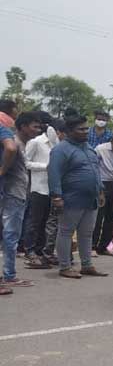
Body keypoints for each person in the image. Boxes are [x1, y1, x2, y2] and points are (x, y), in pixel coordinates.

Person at [48, 114, 107, 279]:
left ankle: (87, 265)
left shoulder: (88, 148)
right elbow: (54, 174)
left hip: (91, 199)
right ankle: (65, 266)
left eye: (86, 128)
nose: (85, 131)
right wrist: (57, 196)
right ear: (69, 131)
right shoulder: (60, 150)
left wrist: (100, 190)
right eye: (81, 129)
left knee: (87, 234)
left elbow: (96, 171)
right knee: (66, 232)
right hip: (71, 199)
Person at [0, 112, 41, 288]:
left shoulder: (21, 144)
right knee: (11, 236)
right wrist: (2, 170)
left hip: (15, 194)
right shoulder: (13, 143)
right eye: (35, 126)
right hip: (13, 195)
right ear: (23, 126)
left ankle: (9, 274)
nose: (38, 130)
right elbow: (9, 151)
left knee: (10, 236)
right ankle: (9, 275)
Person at [23, 112, 63, 268]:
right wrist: (44, 167)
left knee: (47, 222)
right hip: (38, 187)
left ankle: (42, 251)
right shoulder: (36, 142)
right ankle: (30, 251)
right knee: (35, 221)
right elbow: (26, 162)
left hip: (52, 188)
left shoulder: (57, 144)